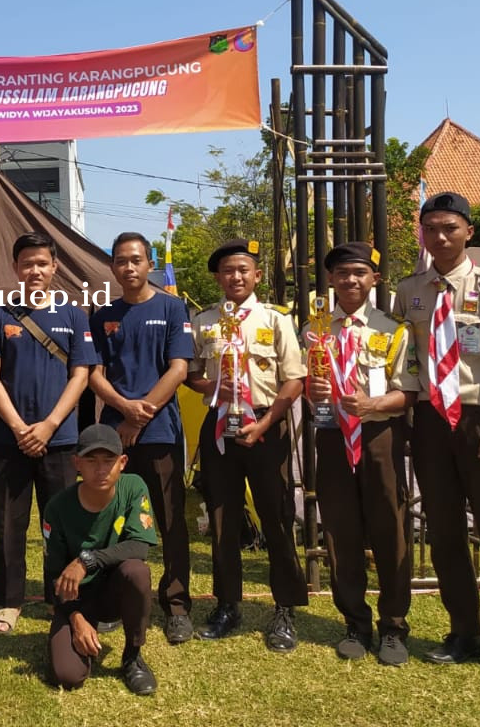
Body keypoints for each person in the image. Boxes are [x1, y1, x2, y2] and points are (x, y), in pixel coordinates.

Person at [393, 192, 480, 685]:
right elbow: (401, 359)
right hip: (432, 421)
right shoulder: (409, 291)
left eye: (449, 227)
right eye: (430, 228)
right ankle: (464, 633)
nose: (440, 237)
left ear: (468, 231)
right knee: (446, 533)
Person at [184, 238, 309, 651]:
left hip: (266, 425)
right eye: (227, 271)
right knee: (223, 520)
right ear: (218, 277)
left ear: (257, 275)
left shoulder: (275, 320)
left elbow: (294, 380)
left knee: (276, 516)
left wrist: (267, 421)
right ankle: (227, 604)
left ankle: (285, 609)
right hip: (220, 428)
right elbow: (191, 373)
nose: (235, 277)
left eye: (243, 270)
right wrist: (213, 387)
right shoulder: (203, 322)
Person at [0, 231, 98, 635]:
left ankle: (59, 597)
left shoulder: (73, 315)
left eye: (42, 263)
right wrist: (17, 426)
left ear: (54, 267)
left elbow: (80, 375)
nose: (35, 270)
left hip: (60, 439)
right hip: (9, 438)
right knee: (10, 522)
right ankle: (10, 601)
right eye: (27, 263)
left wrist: (48, 425)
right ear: (16, 268)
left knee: (61, 524)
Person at [304, 242, 416, 665]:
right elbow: (307, 383)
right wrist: (314, 393)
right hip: (332, 437)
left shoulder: (394, 330)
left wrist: (373, 405)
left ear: (374, 279)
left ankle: (392, 625)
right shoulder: (314, 330)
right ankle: (355, 621)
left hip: (378, 438)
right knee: (340, 531)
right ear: (331, 280)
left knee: (391, 529)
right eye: (342, 274)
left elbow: (408, 392)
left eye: (359, 273)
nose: (351, 280)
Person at [88, 231, 194, 644]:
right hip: (113, 435)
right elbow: (93, 373)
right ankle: (114, 601)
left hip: (160, 431)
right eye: (120, 261)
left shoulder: (172, 308)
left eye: (136, 260)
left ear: (149, 263)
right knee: (112, 520)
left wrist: (140, 413)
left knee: (169, 519)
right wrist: (123, 408)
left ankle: (177, 604)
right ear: (113, 267)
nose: (128, 268)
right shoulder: (103, 316)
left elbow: (179, 369)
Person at [44, 424, 159, 696]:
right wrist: (75, 618)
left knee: (137, 571)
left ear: (122, 462)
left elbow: (140, 546)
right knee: (67, 675)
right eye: (91, 461)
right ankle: (79, 635)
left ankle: (132, 656)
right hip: (76, 598)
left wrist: (86, 560)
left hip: (114, 591)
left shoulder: (133, 488)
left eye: (108, 460)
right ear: (76, 464)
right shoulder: (57, 508)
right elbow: (53, 575)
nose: (100, 469)